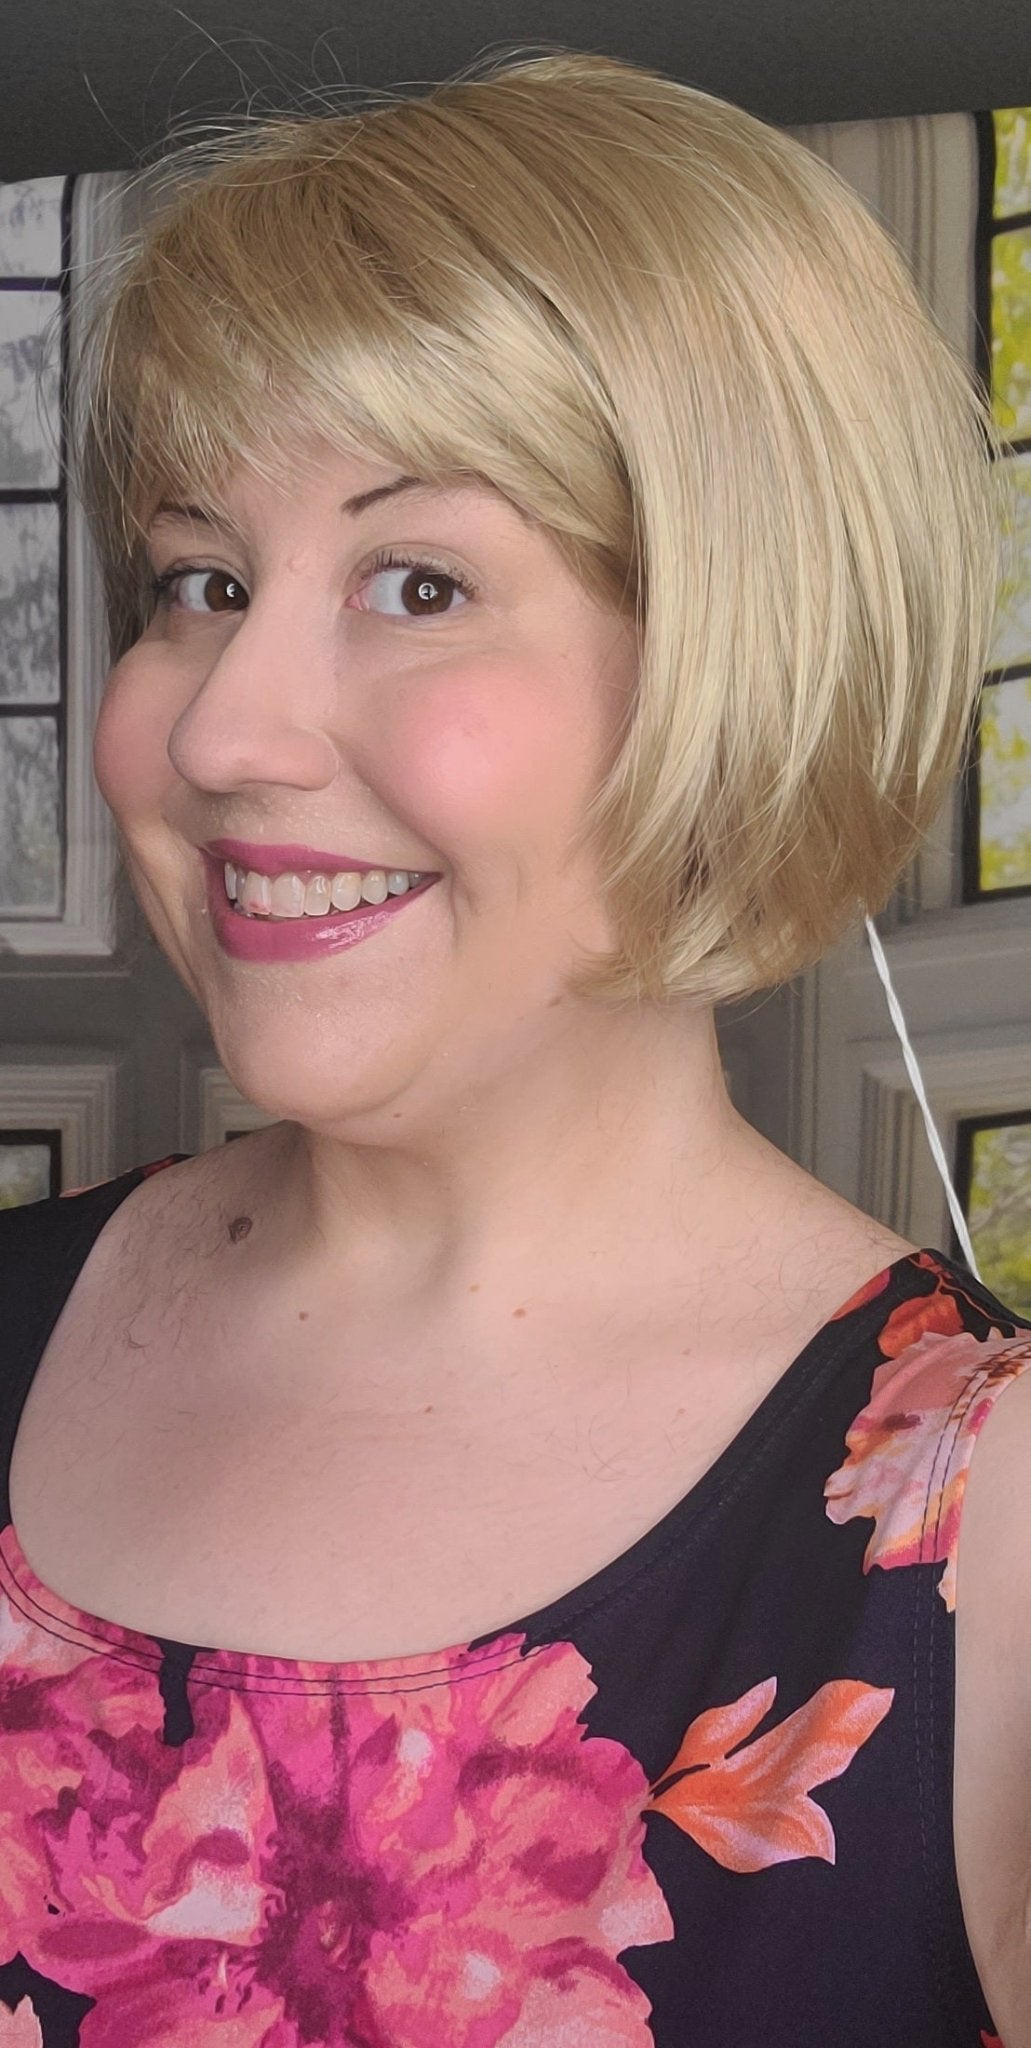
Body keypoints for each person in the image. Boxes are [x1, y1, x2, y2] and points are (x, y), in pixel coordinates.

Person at [0, 42, 1027, 2048]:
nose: (219, 728)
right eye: (201, 580)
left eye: (418, 582)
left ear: (737, 661)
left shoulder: (989, 1546)